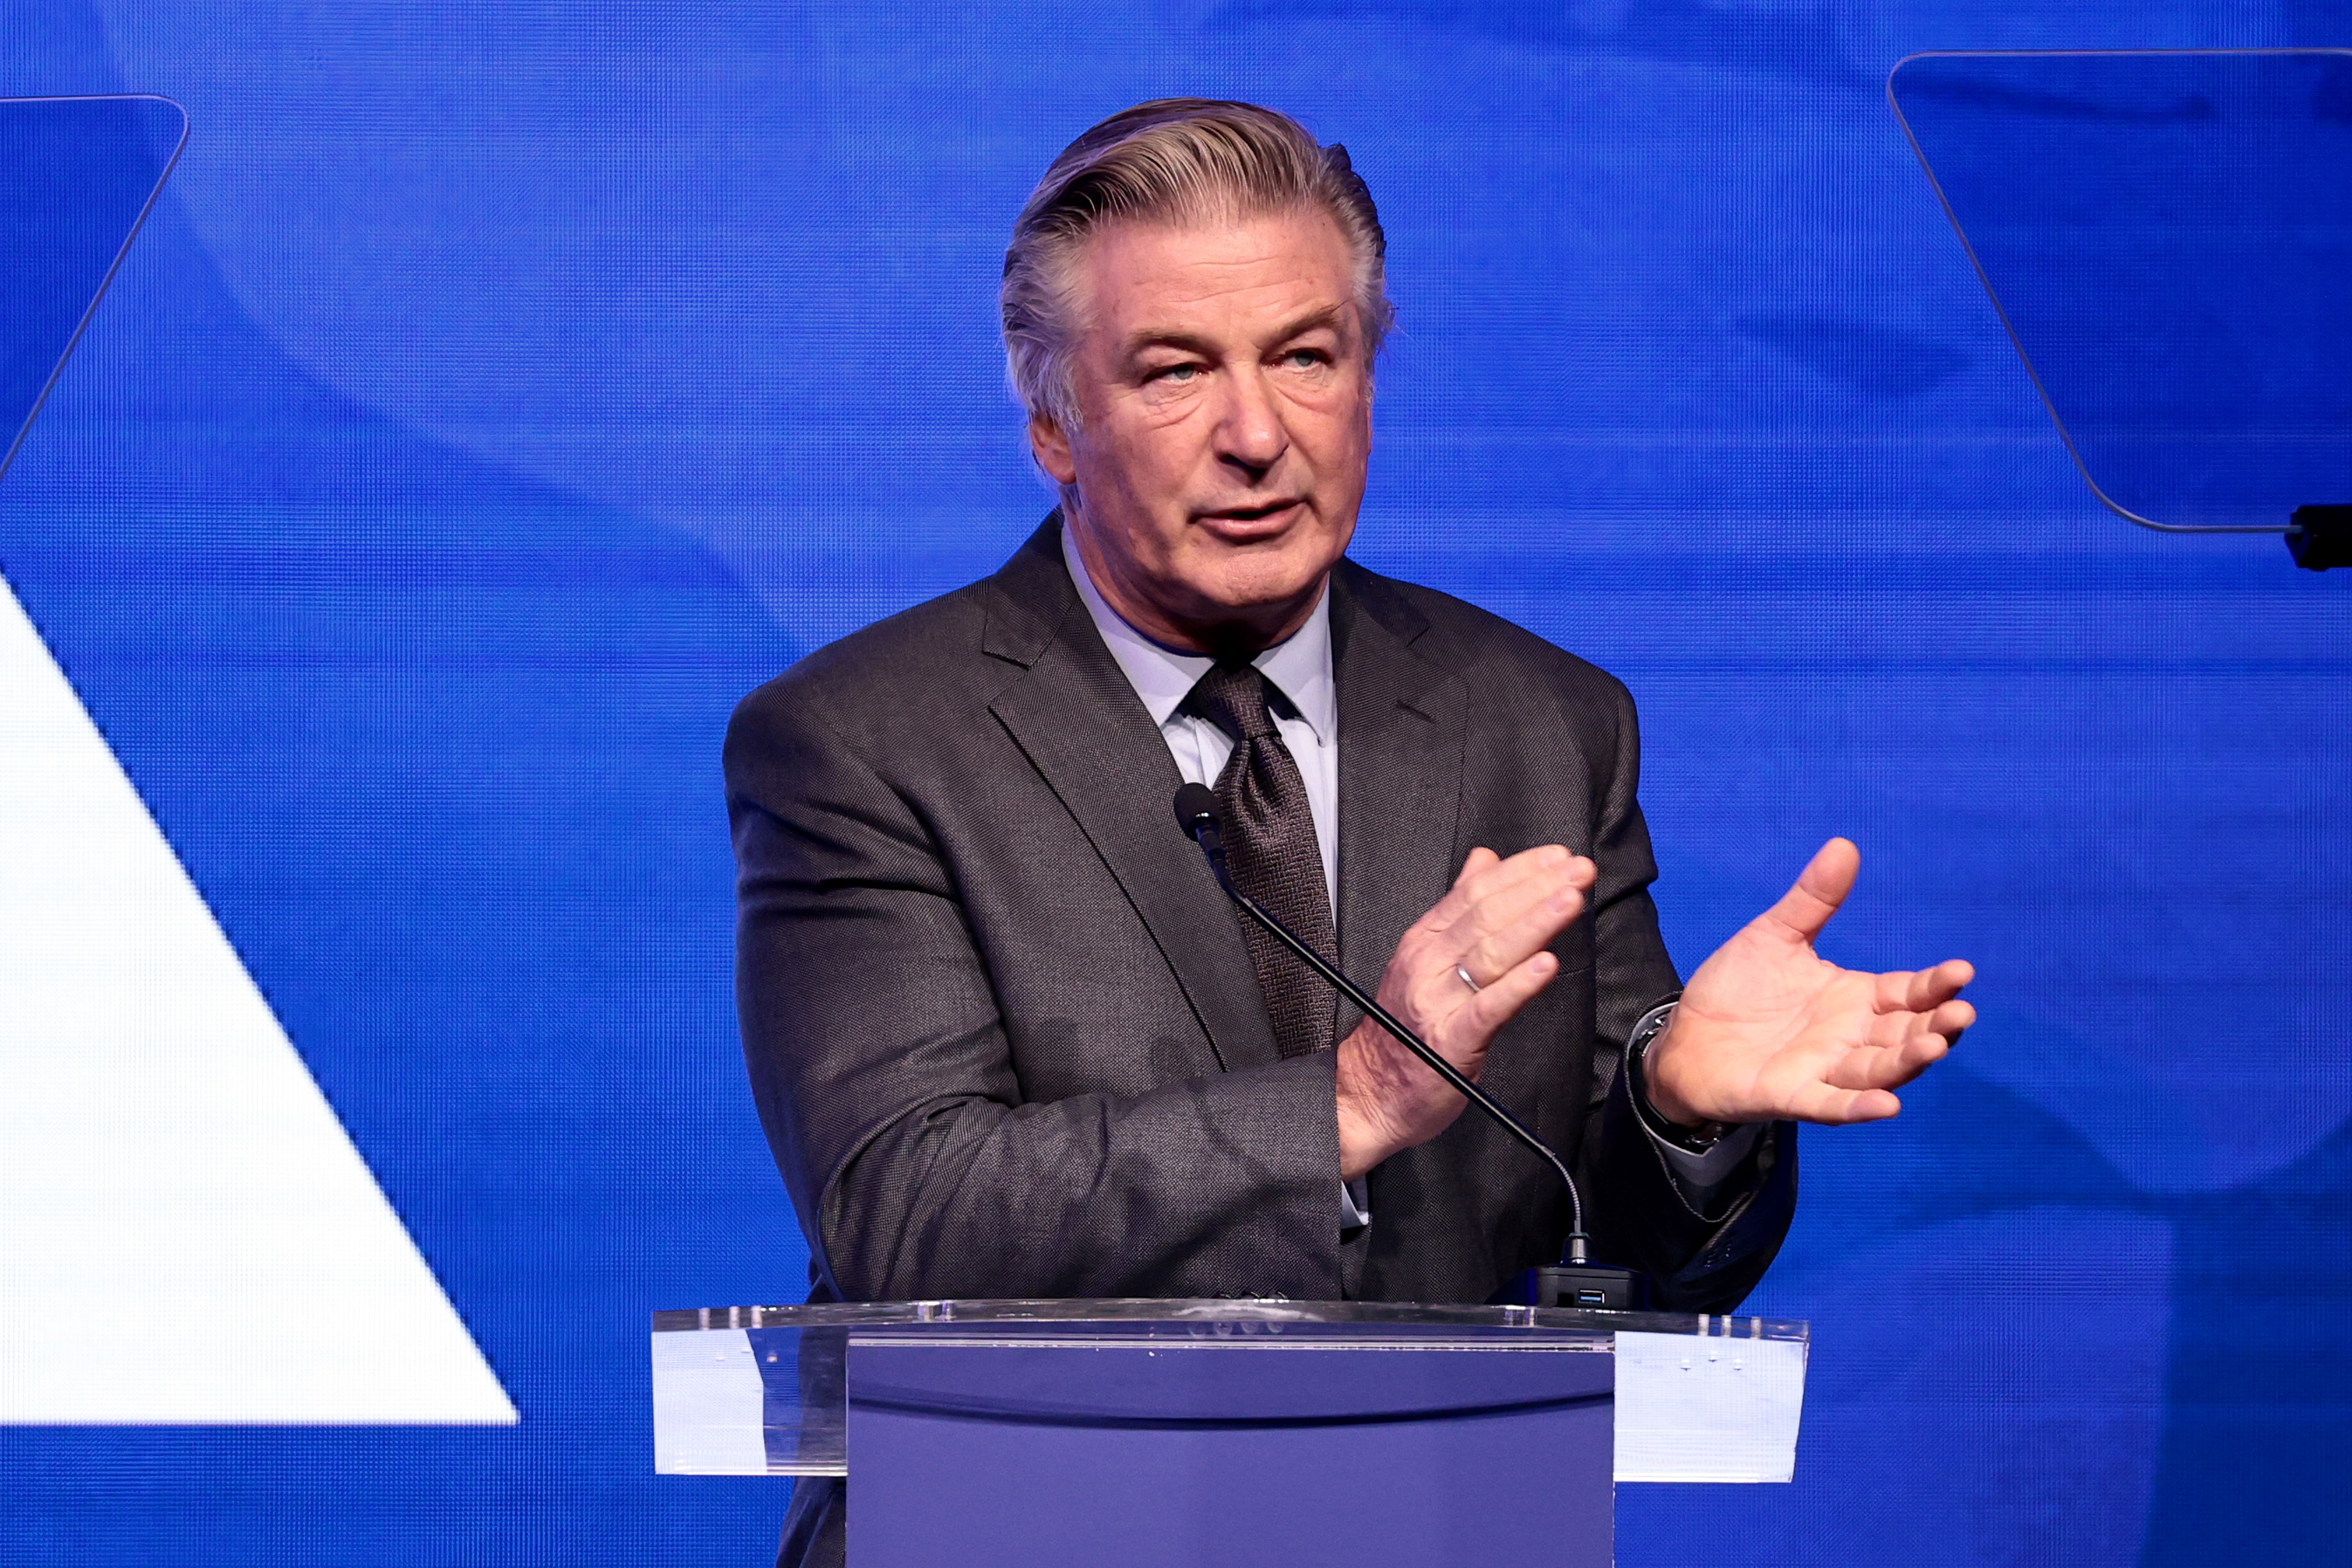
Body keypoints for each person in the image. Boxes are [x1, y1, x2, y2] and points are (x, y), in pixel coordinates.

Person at [726, 99, 1975, 1566]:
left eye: (1305, 356)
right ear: (1055, 422)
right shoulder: (866, 738)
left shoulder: (1540, 720)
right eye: (1174, 370)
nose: (1255, 435)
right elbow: (909, 1213)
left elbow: (1613, 1258)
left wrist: (1683, 1107)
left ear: (1369, 377)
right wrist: (1351, 1101)